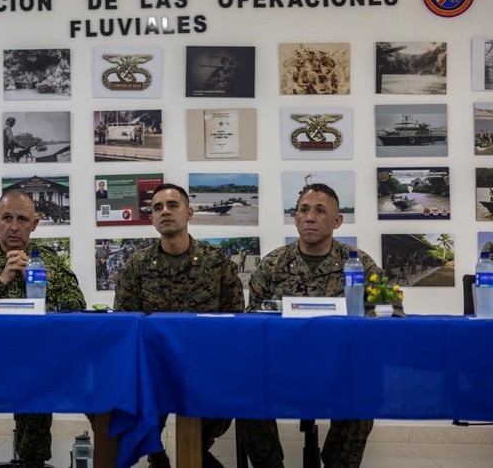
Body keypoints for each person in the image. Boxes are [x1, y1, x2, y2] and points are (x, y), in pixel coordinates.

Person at [237, 183, 403, 468]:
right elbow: (254, 324)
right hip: (282, 368)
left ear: (337, 220)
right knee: (244, 392)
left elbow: (392, 315)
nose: (310, 216)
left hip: (340, 368)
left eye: (319, 210)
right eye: (303, 210)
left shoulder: (360, 265)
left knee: (364, 390)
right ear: (295, 218)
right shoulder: (272, 264)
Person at [0, 190, 86, 468]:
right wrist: (2, 280)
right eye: (7, 218)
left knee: (37, 384)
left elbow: (76, 304)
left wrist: (35, 281)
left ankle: (32, 461)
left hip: (37, 358)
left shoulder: (49, 260)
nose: (13, 226)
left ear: (34, 224)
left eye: (22, 219)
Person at [113, 184, 243, 468]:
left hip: (205, 367)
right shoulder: (136, 266)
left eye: (172, 205)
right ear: (151, 218)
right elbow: (124, 323)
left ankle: (196, 450)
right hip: (152, 370)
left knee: (198, 442)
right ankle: (156, 454)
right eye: (157, 208)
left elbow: (235, 322)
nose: (165, 211)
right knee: (130, 412)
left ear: (189, 212)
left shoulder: (218, 262)